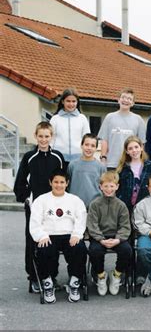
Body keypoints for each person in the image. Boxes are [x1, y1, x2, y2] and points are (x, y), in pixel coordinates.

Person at [14, 121, 65, 292]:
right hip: (35, 208)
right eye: (41, 136)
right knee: (33, 242)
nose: (44, 139)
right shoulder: (29, 157)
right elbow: (20, 183)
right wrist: (27, 199)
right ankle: (34, 278)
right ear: (36, 136)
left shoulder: (58, 157)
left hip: (54, 208)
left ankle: (51, 276)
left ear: (52, 137)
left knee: (52, 241)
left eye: (47, 136)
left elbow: (63, 181)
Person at [29, 169, 88, 303]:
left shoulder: (75, 200)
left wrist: (77, 234)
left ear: (67, 183)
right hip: (48, 235)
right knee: (44, 250)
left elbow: (81, 219)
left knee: (79, 248)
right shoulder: (41, 200)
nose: (59, 185)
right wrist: (41, 236)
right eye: (56, 182)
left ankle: (74, 281)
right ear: (50, 182)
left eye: (62, 182)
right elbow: (35, 222)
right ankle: (48, 282)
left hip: (69, 235)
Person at [87, 171, 132, 296]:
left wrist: (118, 239)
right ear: (100, 186)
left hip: (116, 237)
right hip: (99, 237)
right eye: (105, 186)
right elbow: (92, 225)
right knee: (95, 251)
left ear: (117, 186)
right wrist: (101, 239)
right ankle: (101, 276)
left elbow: (125, 226)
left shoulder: (121, 205)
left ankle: (116, 274)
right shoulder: (95, 204)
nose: (108, 189)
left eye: (112, 186)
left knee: (127, 250)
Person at [97, 88, 146, 170]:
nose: (126, 100)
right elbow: (104, 140)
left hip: (130, 164)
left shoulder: (138, 119)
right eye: (123, 97)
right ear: (118, 100)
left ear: (133, 103)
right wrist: (103, 158)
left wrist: (139, 161)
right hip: (111, 163)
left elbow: (142, 143)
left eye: (129, 99)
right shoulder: (109, 117)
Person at [116, 136, 151, 214]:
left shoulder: (150, 167)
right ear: (127, 151)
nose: (134, 150)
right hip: (125, 208)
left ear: (141, 147)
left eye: (136, 147)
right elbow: (118, 188)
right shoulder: (122, 168)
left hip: (145, 208)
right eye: (130, 148)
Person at [50, 88, 90, 164]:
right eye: (68, 101)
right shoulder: (55, 119)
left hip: (78, 158)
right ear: (62, 101)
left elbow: (87, 139)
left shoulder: (82, 118)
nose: (71, 104)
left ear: (77, 102)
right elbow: (51, 139)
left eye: (73, 101)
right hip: (58, 158)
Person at [67, 133, 106, 208]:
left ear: (96, 148)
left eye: (92, 146)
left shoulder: (100, 167)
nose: (89, 148)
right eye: (86, 144)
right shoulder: (72, 165)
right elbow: (68, 185)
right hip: (74, 206)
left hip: (94, 206)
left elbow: (103, 187)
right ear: (81, 146)